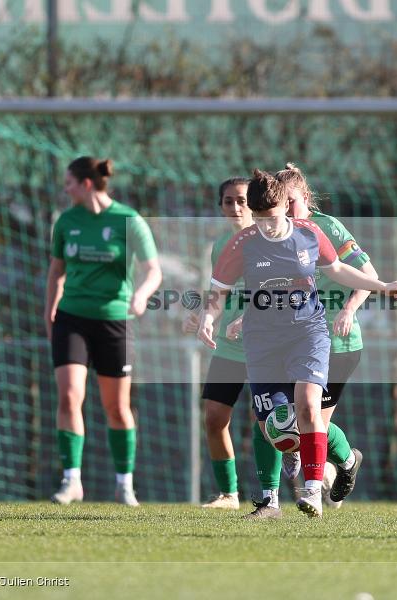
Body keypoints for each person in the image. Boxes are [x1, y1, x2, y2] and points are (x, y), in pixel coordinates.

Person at [198, 168, 397, 518]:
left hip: (307, 332)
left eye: (273, 218)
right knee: (272, 423)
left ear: (285, 206)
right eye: (260, 220)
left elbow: (339, 270)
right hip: (263, 340)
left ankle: (312, 491)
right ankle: (270, 502)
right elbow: (218, 293)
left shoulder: (310, 233)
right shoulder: (242, 243)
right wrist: (208, 317)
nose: (267, 227)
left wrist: (383, 286)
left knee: (309, 405)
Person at [44, 157, 162, 506]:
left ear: (87, 184)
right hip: (72, 319)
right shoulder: (66, 221)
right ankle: (71, 481)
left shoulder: (129, 220)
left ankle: (125, 484)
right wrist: (48, 311)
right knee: (68, 396)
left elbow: (153, 270)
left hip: (114, 321)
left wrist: (141, 294)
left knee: (117, 406)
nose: (65, 189)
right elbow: (56, 272)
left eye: (69, 182)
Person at [278, 163, 374, 509]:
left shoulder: (328, 227)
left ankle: (343, 465)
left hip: (337, 343)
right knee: (291, 421)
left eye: (291, 202)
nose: (286, 210)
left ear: (305, 197)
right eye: (279, 204)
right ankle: (328, 475)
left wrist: (348, 310)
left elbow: (368, 274)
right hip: (294, 340)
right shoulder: (277, 232)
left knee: (309, 421)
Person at [182, 177, 253, 510]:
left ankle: (319, 469)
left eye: (241, 200)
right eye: (228, 201)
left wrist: (252, 315)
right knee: (214, 417)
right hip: (229, 346)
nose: (236, 207)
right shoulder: (221, 244)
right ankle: (229, 494)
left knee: (275, 422)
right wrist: (202, 316)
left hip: (269, 345)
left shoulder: (272, 239)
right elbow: (219, 294)